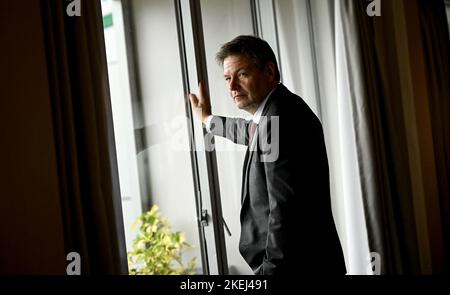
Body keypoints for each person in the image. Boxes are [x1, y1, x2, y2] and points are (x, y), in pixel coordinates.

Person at [189, 35, 346, 275]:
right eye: (227, 78)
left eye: (241, 75)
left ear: (269, 72)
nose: (232, 87)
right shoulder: (277, 111)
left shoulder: (279, 118)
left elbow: (284, 212)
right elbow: (248, 132)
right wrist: (208, 119)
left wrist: (269, 274)